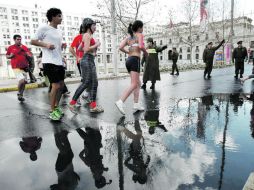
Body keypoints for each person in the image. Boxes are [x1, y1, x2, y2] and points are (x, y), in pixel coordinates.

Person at [31, 8, 65, 121]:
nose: (61, 18)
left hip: (59, 62)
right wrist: (46, 45)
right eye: (59, 16)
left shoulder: (59, 31)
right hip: (49, 62)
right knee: (55, 86)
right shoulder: (44, 28)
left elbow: (57, 47)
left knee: (61, 87)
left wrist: (62, 47)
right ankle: (52, 111)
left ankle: (56, 107)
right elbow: (33, 41)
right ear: (53, 17)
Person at [69, 18, 104, 113]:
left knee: (94, 83)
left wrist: (90, 50)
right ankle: (72, 103)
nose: (95, 27)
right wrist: (96, 44)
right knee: (86, 82)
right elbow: (86, 49)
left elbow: (80, 48)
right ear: (89, 26)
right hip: (87, 60)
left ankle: (93, 106)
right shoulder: (87, 35)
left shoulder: (86, 35)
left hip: (88, 60)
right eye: (94, 25)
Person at [115, 20, 148, 115]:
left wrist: (129, 52)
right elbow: (141, 46)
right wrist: (146, 53)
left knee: (138, 83)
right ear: (139, 28)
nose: (143, 29)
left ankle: (136, 104)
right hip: (135, 60)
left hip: (128, 61)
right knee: (134, 84)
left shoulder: (129, 37)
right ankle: (120, 101)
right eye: (142, 27)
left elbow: (120, 47)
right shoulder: (140, 35)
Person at [6, 34, 32, 102]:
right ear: (14, 40)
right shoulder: (11, 47)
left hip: (24, 67)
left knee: (24, 82)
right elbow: (7, 56)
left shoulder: (24, 47)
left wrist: (28, 54)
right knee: (22, 80)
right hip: (16, 67)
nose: (19, 41)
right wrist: (10, 56)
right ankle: (18, 92)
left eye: (20, 39)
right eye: (18, 39)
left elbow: (29, 55)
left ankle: (21, 95)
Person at [69, 24, 90, 104]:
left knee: (89, 80)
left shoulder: (89, 37)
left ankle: (85, 95)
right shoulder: (78, 37)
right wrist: (77, 56)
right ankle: (77, 97)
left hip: (88, 61)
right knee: (84, 80)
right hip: (81, 61)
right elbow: (71, 48)